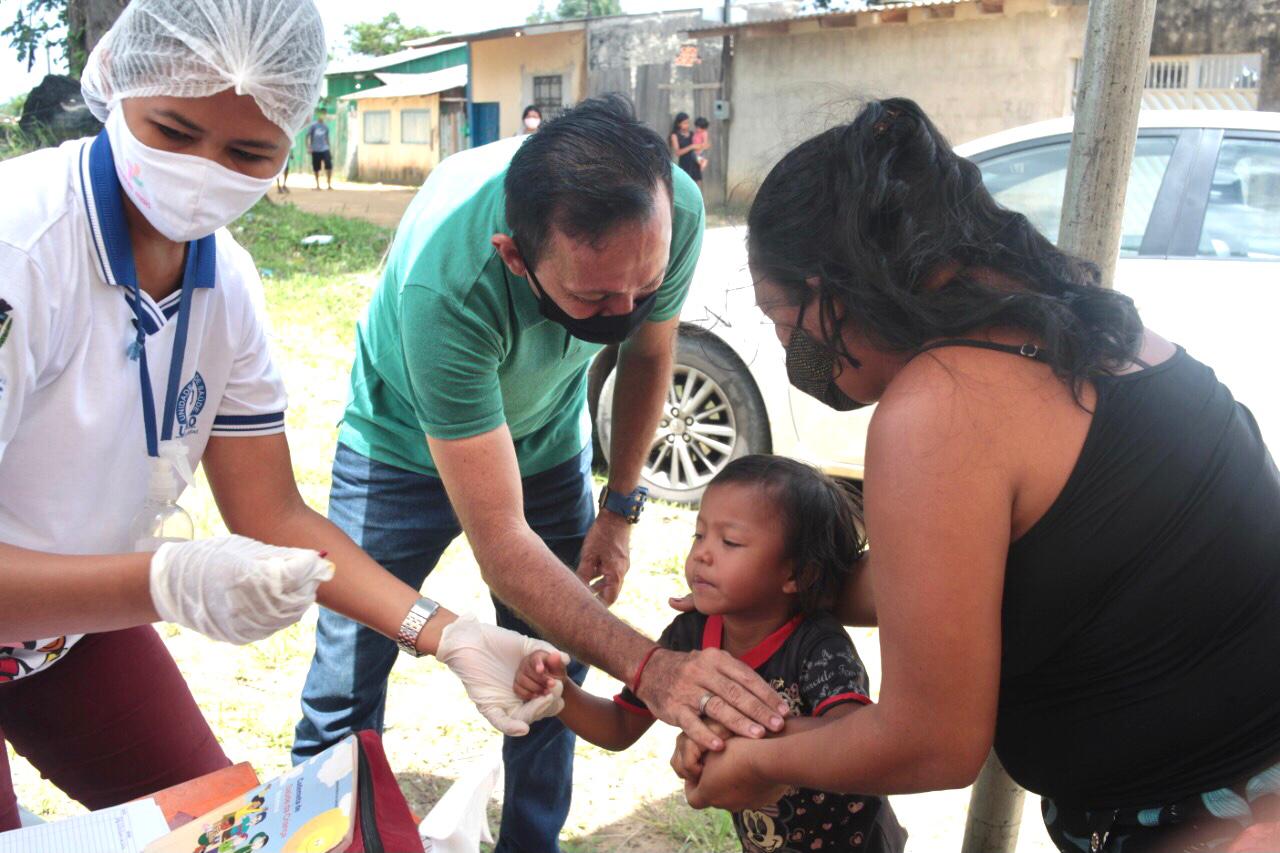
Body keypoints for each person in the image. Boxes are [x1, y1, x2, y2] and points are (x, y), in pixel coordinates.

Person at [0, 0, 567, 832]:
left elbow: (271, 513)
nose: (201, 169)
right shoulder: (22, 249)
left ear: (293, 142)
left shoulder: (223, 285)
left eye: (246, 151)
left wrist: (444, 634)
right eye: (173, 129)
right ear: (117, 81)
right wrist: (163, 581)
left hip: (68, 631)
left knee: (240, 825)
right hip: (73, 603)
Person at [672, 98, 1280, 852]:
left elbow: (934, 740)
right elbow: (965, 582)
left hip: (1218, 825)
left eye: (780, 317)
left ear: (832, 292)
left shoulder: (942, 404)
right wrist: (779, 580)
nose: (787, 348)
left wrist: (762, 759)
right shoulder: (1080, 324)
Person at [294, 94, 791, 853]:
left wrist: (621, 505)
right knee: (349, 667)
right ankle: (325, 839)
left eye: (642, 286)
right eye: (594, 296)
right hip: (398, 443)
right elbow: (501, 542)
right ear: (515, 256)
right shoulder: (447, 284)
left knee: (555, 666)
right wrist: (653, 667)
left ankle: (530, 843)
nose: (624, 309)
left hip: (545, 431)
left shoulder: (670, 207)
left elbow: (649, 353)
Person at [516, 455, 908, 853]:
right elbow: (620, 726)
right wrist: (560, 692)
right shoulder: (691, 636)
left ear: (797, 575)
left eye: (730, 542)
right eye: (699, 536)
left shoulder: (818, 647)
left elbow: (851, 733)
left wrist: (746, 742)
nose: (702, 554)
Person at [669, 111, 703, 188]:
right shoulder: (675, 136)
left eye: (688, 123)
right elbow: (678, 153)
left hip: (695, 164)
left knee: (698, 189)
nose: (687, 125)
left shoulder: (692, 134)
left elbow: (699, 147)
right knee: (686, 188)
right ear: (679, 124)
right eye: (684, 123)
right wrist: (691, 147)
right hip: (685, 165)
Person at [305, 110, 332, 190]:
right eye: (321, 114)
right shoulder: (313, 126)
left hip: (325, 148)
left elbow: (327, 138)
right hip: (315, 149)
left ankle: (329, 184)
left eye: (324, 114)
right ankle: (318, 185)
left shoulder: (326, 126)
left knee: (329, 165)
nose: (322, 116)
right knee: (316, 167)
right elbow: (307, 137)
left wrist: (329, 149)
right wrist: (309, 147)